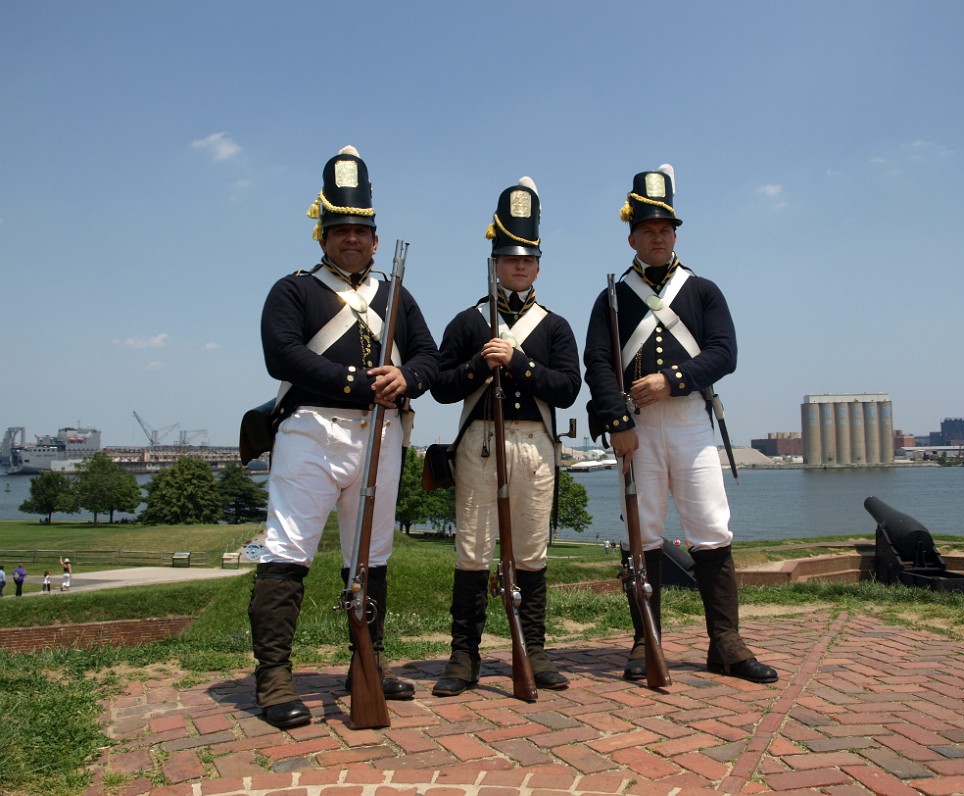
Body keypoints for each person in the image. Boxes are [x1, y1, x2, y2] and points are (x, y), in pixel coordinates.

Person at [248, 145, 439, 729]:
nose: (351, 239)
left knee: (372, 557)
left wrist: (406, 377)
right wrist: (363, 382)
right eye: (339, 230)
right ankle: (274, 677)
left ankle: (369, 663)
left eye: (360, 230)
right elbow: (282, 355)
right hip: (311, 432)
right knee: (287, 552)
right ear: (322, 236)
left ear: (376, 240)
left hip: (381, 437)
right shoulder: (293, 290)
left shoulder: (397, 297)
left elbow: (430, 358)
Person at [583, 164, 777, 685]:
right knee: (642, 534)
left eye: (666, 229)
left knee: (711, 528)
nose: (658, 237)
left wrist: (671, 380)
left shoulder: (703, 290)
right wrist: (619, 420)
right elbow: (598, 365)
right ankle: (646, 638)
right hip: (637, 429)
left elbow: (724, 354)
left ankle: (726, 644)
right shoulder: (611, 297)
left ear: (675, 234)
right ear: (632, 236)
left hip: (690, 421)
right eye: (648, 230)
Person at [430, 177, 582, 697]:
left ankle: (533, 649)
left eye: (527, 260)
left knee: (532, 552)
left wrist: (517, 363)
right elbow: (442, 389)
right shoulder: (468, 322)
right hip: (479, 446)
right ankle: (463, 655)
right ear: (495, 263)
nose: (519, 267)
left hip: (535, 447)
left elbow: (567, 390)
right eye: (509, 259)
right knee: (473, 551)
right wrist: (479, 364)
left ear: (538, 265)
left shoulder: (555, 326)